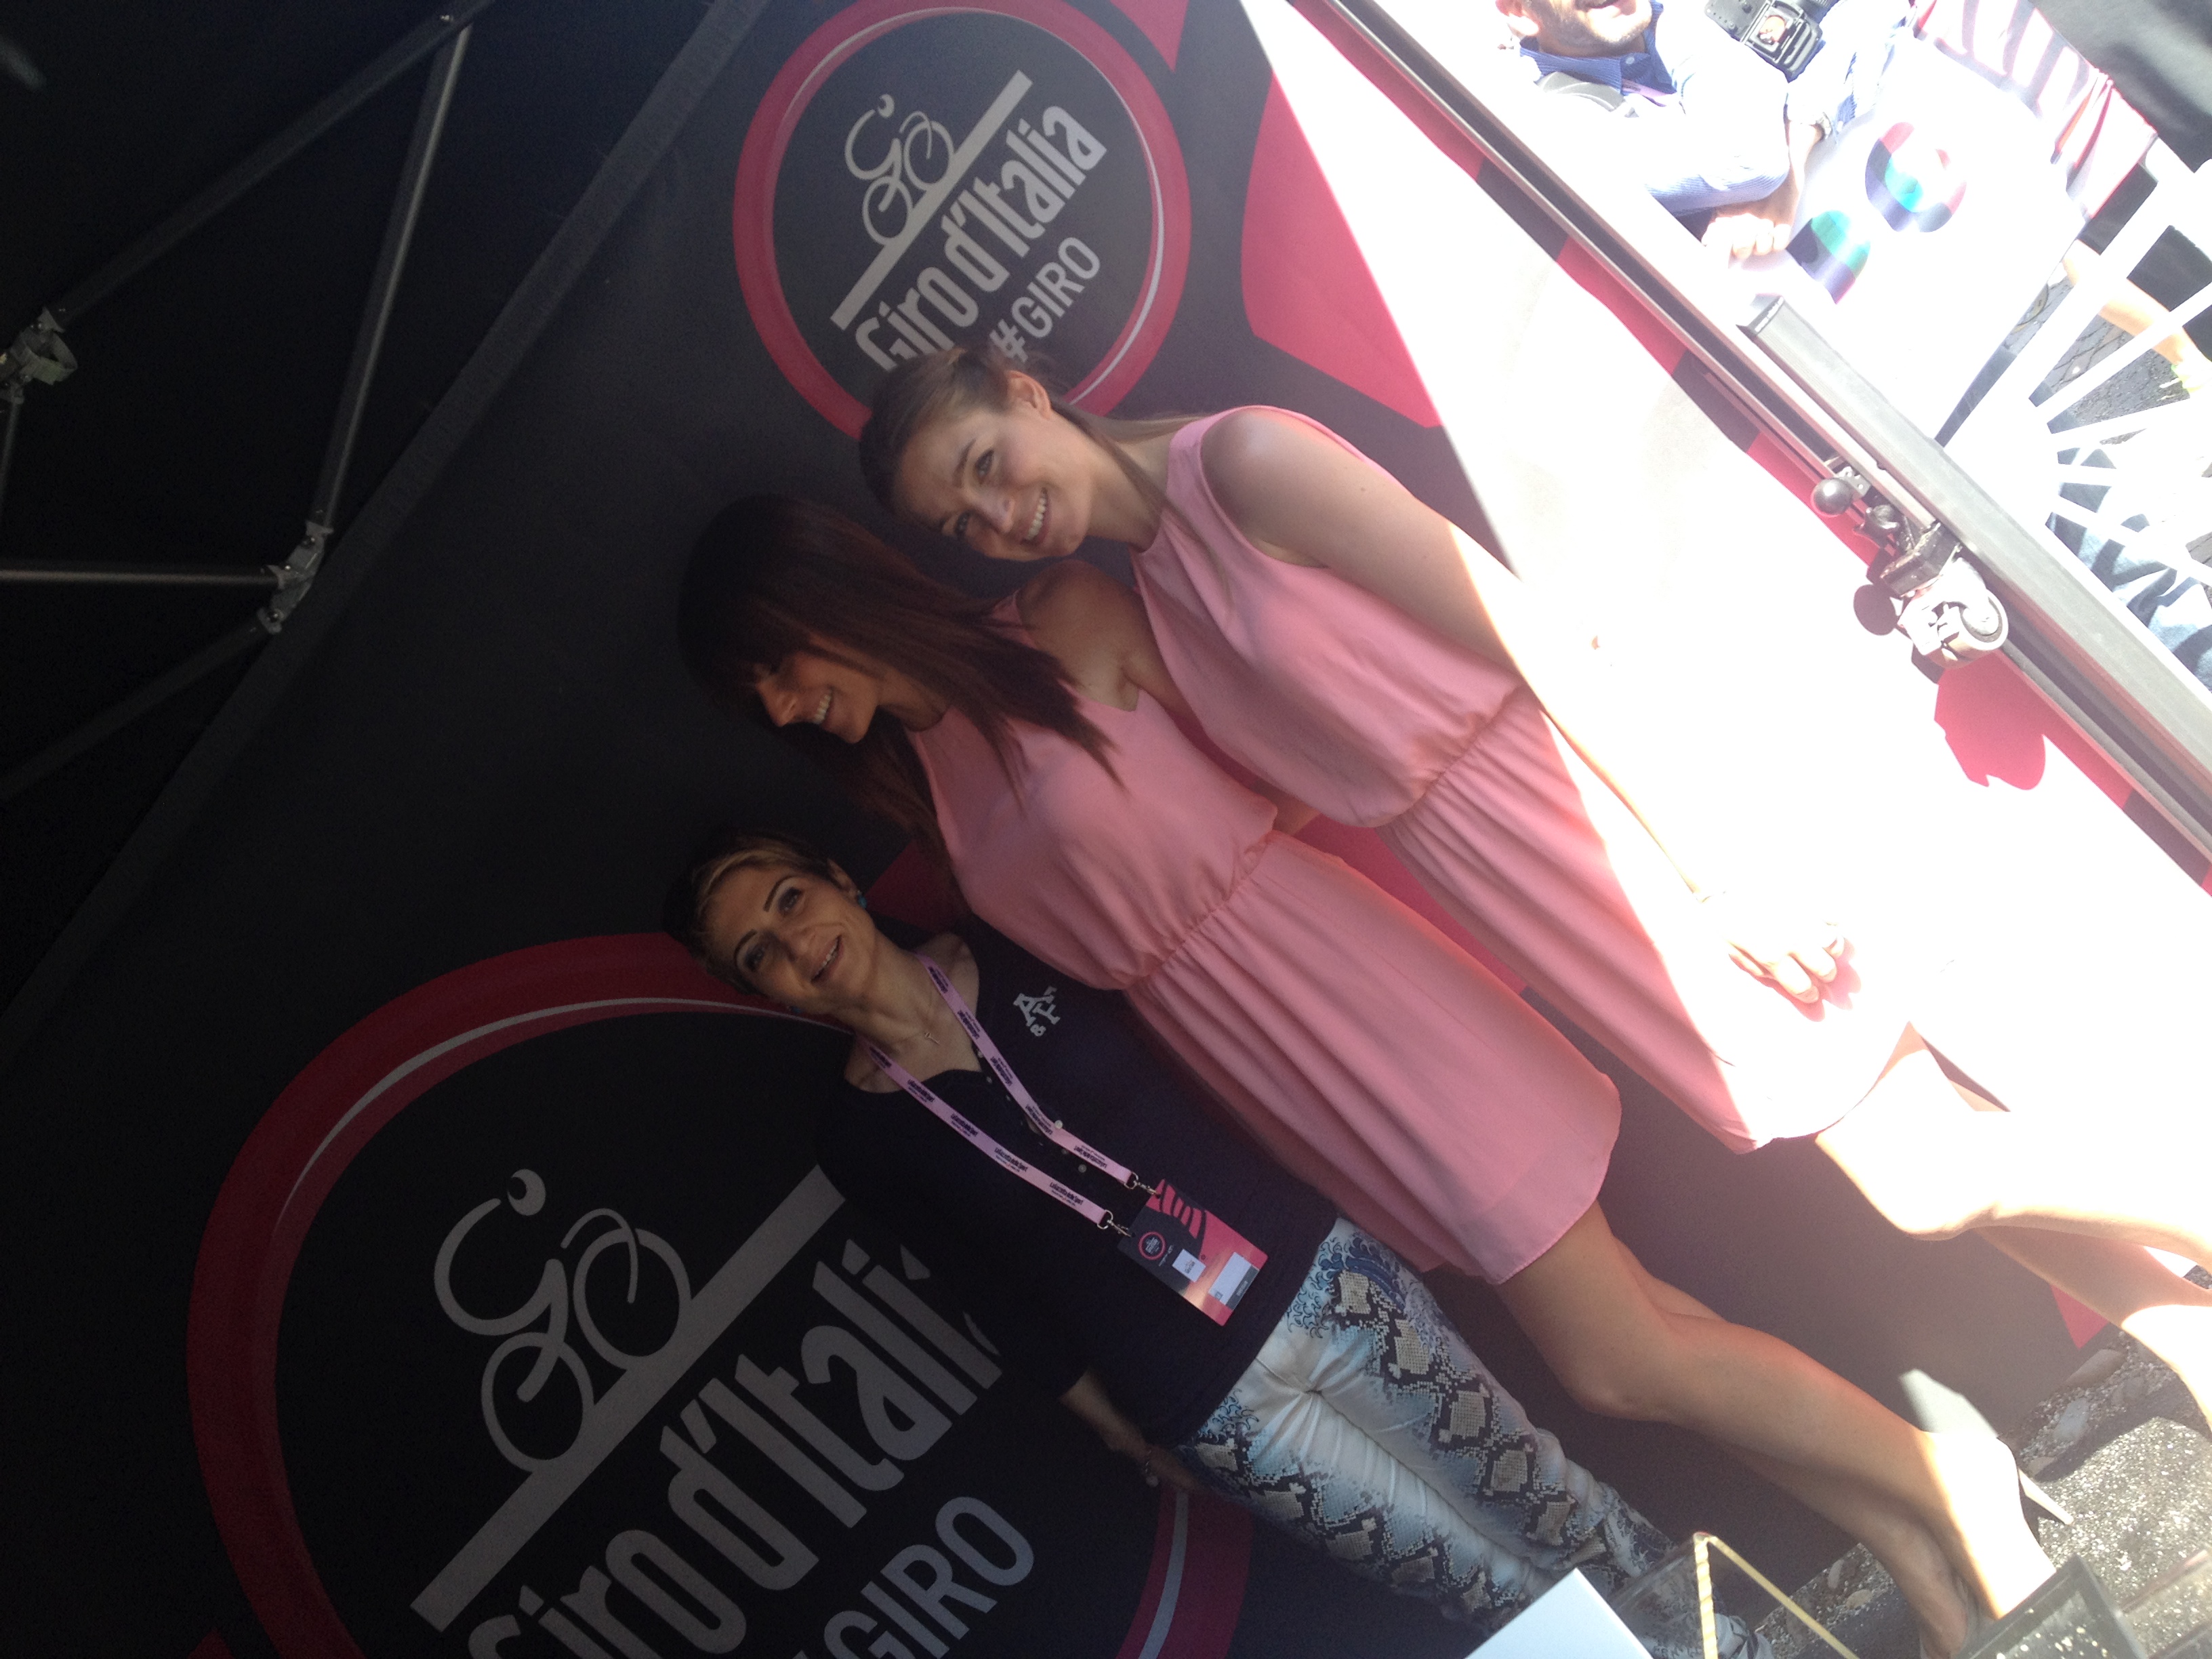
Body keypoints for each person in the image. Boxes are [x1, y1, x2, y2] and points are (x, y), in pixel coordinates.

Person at [677, 495, 2054, 1656]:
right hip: (1246, 1057)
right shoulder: (913, 788)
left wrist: (1220, 872)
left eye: (775, 669)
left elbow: (1276, 750)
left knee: (1613, 1359)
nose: (786, 707)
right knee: (1642, 1324)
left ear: (825, 598)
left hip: (1324, 972)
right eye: (761, 705)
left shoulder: (1058, 619)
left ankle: (1952, 1479)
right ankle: (1907, 1535)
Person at [853, 348, 2212, 1448]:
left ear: (1025, 393)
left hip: (1592, 812)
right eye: (960, 521)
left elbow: (1522, 628)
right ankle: (2191, 1345)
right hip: (1513, 881)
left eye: (985, 464)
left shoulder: (1243, 460)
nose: (998, 516)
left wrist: (1711, 863)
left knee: (1922, 1176)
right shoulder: (1149, 588)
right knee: (1930, 1152)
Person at [665, 827, 1681, 1637]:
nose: (795, 944)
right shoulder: (858, 1139)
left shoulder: (1010, 939)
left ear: (837, 880)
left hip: (1323, 1283)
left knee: (1552, 1501)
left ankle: (1744, 1645)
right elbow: (991, 1300)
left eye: (788, 900)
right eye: (759, 955)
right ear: (760, 992)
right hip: (1212, 1412)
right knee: (1480, 1587)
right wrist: (1127, 1434)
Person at [1494, 0, 1907, 258]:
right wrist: (1673, 21)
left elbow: (1878, 8)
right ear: (1520, 12)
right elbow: (1751, 160)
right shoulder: (1550, 115)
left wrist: (1796, 146)